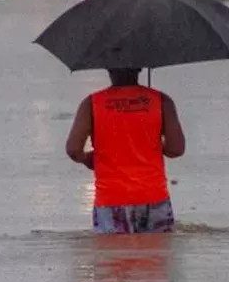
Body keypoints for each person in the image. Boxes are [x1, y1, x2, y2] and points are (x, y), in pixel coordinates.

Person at [66, 68, 186, 234]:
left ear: (108, 68)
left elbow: (73, 150)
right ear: (140, 68)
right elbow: (176, 149)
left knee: (113, 257)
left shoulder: (92, 103)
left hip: (111, 199)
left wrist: (90, 159)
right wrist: (153, 143)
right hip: (154, 196)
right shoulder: (162, 100)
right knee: (156, 256)